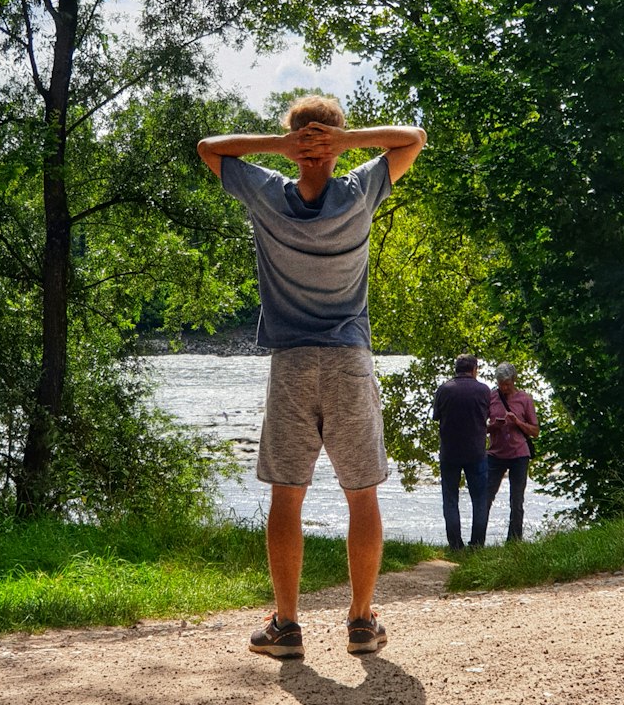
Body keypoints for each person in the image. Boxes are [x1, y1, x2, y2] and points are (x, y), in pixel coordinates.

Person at [197, 95, 426, 659]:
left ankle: (288, 626)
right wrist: (345, 144)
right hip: (349, 359)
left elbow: (208, 150)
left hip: (293, 361)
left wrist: (281, 148)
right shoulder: (360, 190)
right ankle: (360, 622)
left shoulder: (268, 194)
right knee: (362, 493)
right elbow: (413, 137)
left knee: (288, 493)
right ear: (335, 139)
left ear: (296, 140)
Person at [431, 355, 491, 550]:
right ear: (474, 369)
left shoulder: (444, 389)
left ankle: (455, 545)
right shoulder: (483, 390)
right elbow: (488, 416)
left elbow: (436, 417)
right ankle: (477, 544)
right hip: (476, 451)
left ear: (456, 369)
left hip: (450, 452)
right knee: (480, 499)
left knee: (450, 498)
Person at [486, 362, 539, 543]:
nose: (504, 387)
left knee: (516, 501)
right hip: (495, 454)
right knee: (485, 497)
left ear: (514, 381)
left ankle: (514, 541)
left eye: (507, 383)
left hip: (519, 454)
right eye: (501, 383)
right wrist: (494, 425)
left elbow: (535, 431)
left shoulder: (525, 399)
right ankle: (478, 540)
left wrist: (518, 422)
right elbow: (482, 428)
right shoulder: (491, 398)